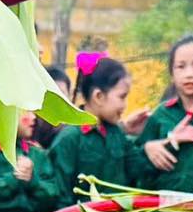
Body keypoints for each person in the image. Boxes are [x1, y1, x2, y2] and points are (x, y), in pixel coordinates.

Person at [137, 35, 193, 206]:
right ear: (171, 74)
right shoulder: (161, 115)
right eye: (181, 67)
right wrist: (151, 147)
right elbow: (136, 164)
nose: (189, 74)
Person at [48, 55, 149, 201]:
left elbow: (139, 169)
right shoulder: (70, 138)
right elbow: (59, 196)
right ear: (99, 96)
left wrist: (159, 142)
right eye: (122, 97)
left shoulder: (116, 134)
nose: (125, 105)